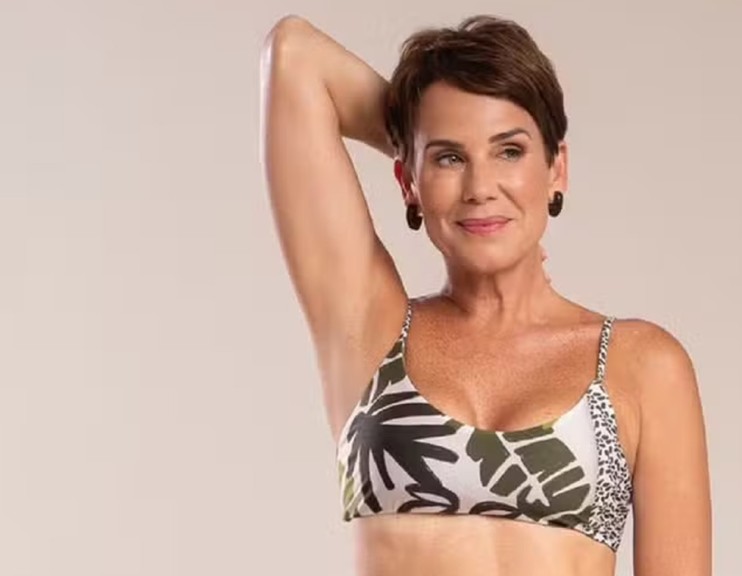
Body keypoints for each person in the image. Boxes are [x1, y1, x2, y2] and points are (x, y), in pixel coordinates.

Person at [259, 13, 711, 576]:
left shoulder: (641, 365)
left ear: (557, 169)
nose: (480, 188)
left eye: (510, 151)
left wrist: (433, 144)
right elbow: (295, 56)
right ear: (408, 182)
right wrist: (417, 137)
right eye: (450, 158)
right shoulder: (369, 328)